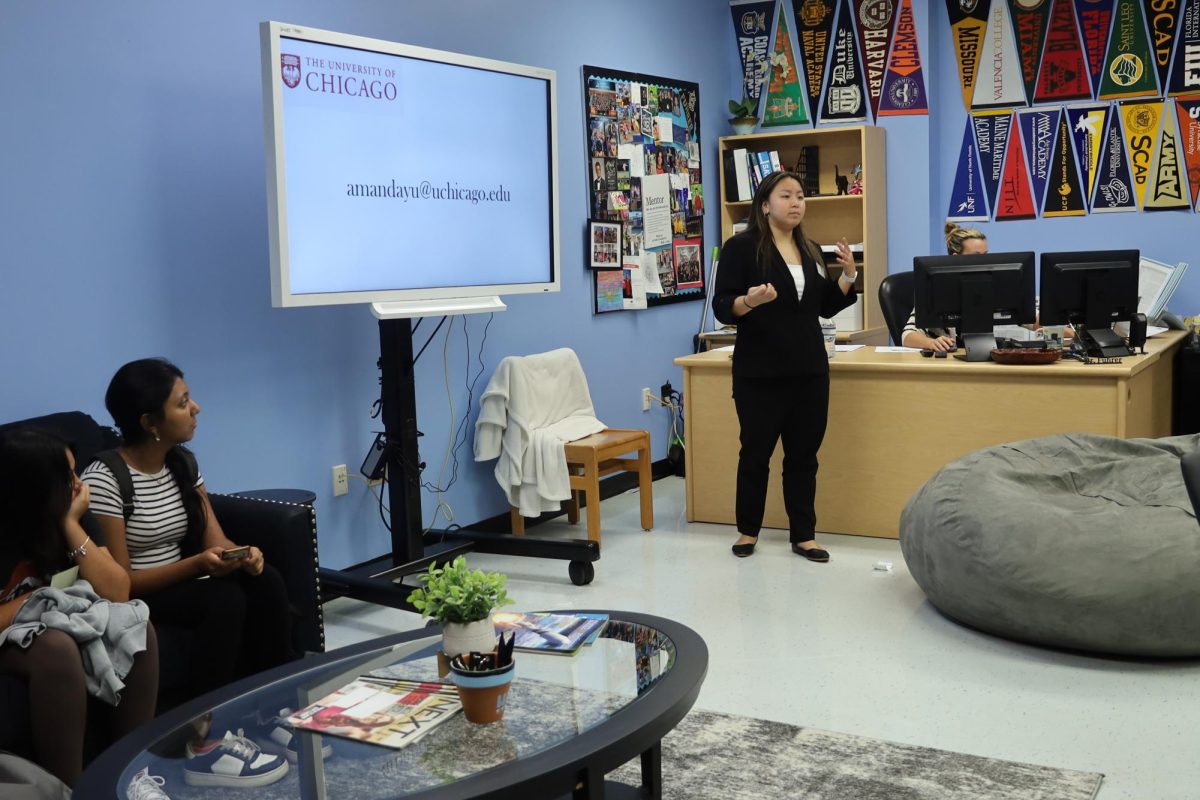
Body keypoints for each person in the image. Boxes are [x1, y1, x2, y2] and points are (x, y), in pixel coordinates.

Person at [81, 358, 297, 704]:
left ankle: (277, 704)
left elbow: (216, 538)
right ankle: (202, 723)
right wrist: (197, 565)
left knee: (265, 579)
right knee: (224, 600)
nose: (196, 408)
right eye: (182, 403)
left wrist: (242, 555)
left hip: (185, 580)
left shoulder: (182, 462)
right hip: (139, 592)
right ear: (149, 422)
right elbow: (121, 584)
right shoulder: (105, 478)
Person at [712, 170, 858, 561]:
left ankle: (804, 535)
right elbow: (724, 306)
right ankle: (748, 532)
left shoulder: (809, 248)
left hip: (809, 370)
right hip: (760, 372)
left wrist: (847, 275)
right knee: (755, 453)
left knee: (804, 457)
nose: (796, 203)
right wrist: (751, 301)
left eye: (800, 196)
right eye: (786, 195)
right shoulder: (741, 248)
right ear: (765, 205)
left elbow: (825, 305)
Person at [0, 428, 159, 787]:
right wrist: (32, 601)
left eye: (76, 471)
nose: (77, 483)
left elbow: (118, 590)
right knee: (55, 648)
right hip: (14, 632)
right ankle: (72, 790)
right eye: (67, 476)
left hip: (54, 620)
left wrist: (70, 524)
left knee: (136, 623)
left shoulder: (70, 510)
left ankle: (132, 776)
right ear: (34, 486)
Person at [900, 222, 987, 351]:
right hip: (946, 365)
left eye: (986, 256)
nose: (985, 263)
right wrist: (930, 343)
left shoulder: (988, 289)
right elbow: (907, 336)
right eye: (977, 257)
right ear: (956, 259)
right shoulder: (938, 291)